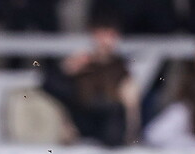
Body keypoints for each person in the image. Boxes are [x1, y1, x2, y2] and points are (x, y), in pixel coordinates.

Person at [43, 17, 139, 146]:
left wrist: (132, 135)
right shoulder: (83, 63)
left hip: (109, 123)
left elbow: (130, 106)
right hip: (83, 118)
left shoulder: (120, 67)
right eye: (100, 35)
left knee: (117, 108)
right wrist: (66, 69)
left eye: (109, 35)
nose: (103, 40)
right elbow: (51, 86)